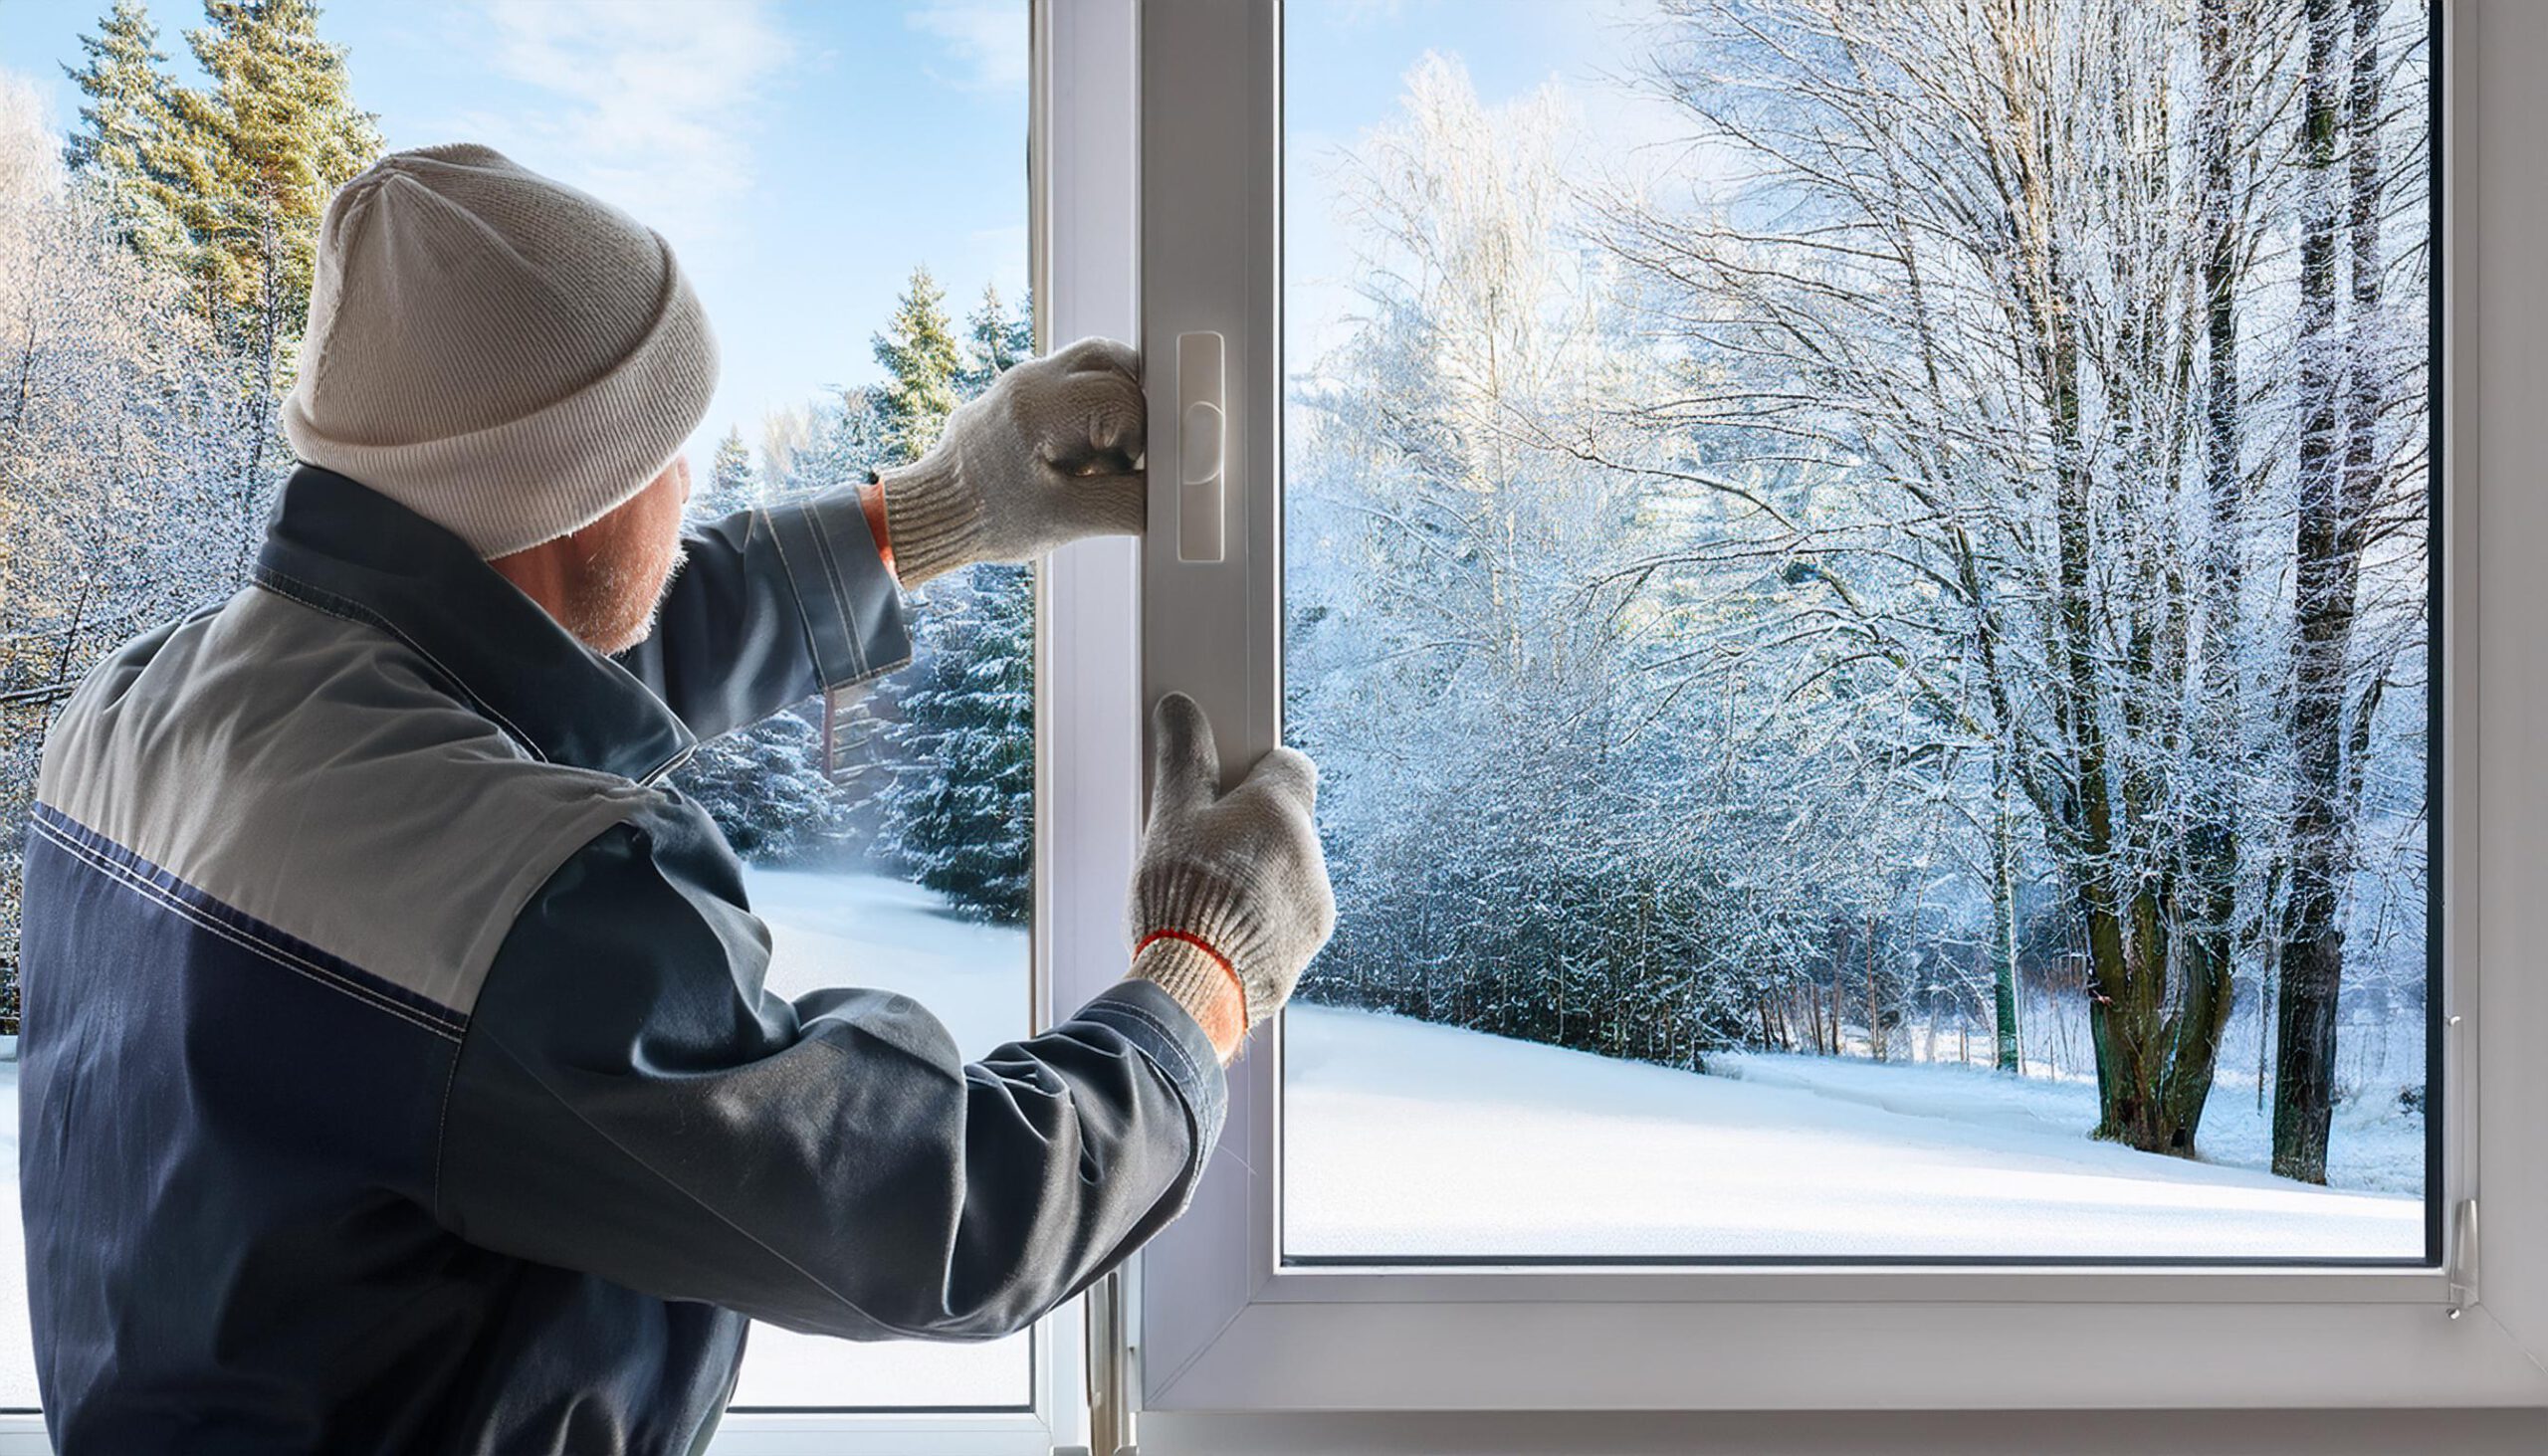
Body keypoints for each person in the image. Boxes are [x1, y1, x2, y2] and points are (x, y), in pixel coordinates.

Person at [15, 143, 1334, 1455]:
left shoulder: (143, 701)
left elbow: (533, 662)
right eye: (668, 452)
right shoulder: (540, 921)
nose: (691, 485)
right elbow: (950, 1211)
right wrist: (1203, 972)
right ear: (574, 499)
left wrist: (934, 513)